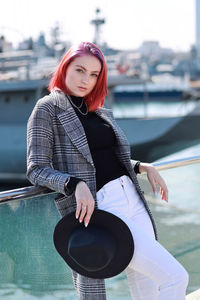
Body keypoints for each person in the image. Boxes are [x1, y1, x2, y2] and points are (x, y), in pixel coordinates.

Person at [27, 41, 189, 300]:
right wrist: (74, 184)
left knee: (146, 288)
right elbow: (36, 169)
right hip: (102, 205)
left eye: (93, 75)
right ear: (65, 67)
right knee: (176, 277)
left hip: (132, 198)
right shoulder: (47, 108)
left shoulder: (98, 111)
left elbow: (106, 157)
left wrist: (141, 166)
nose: (85, 80)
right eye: (79, 70)